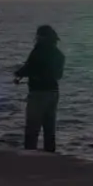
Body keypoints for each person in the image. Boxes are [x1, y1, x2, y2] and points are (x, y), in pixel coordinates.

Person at [14, 24, 66, 152]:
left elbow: (29, 68)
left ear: (41, 36)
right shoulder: (59, 54)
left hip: (38, 92)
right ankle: (50, 154)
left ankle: (30, 155)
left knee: (32, 126)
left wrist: (18, 73)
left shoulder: (38, 51)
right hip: (53, 92)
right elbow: (59, 75)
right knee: (49, 127)